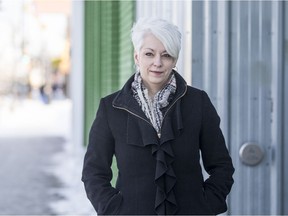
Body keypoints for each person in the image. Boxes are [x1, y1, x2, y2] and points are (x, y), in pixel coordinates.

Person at [82, 17, 234, 215]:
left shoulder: (198, 102)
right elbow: (93, 172)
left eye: (166, 55)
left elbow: (221, 166)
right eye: (149, 54)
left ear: (175, 59)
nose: (157, 63)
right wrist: (114, 210)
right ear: (137, 57)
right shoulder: (111, 108)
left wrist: (205, 207)